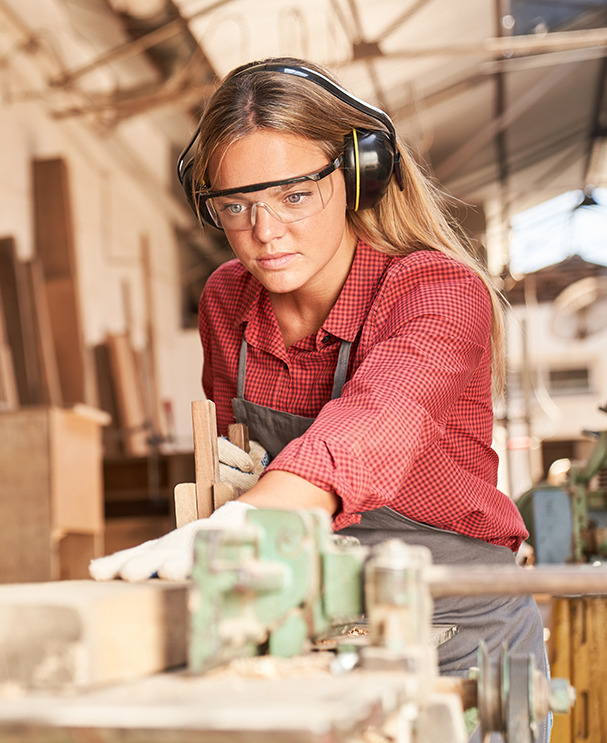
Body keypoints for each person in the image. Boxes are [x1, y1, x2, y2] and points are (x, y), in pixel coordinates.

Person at [89, 57, 549, 742]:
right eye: (235, 205)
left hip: (456, 631)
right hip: (310, 629)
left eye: (294, 196)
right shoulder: (226, 299)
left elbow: (376, 425)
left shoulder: (440, 291)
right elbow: (231, 452)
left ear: (358, 174)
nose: (264, 232)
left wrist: (243, 520)